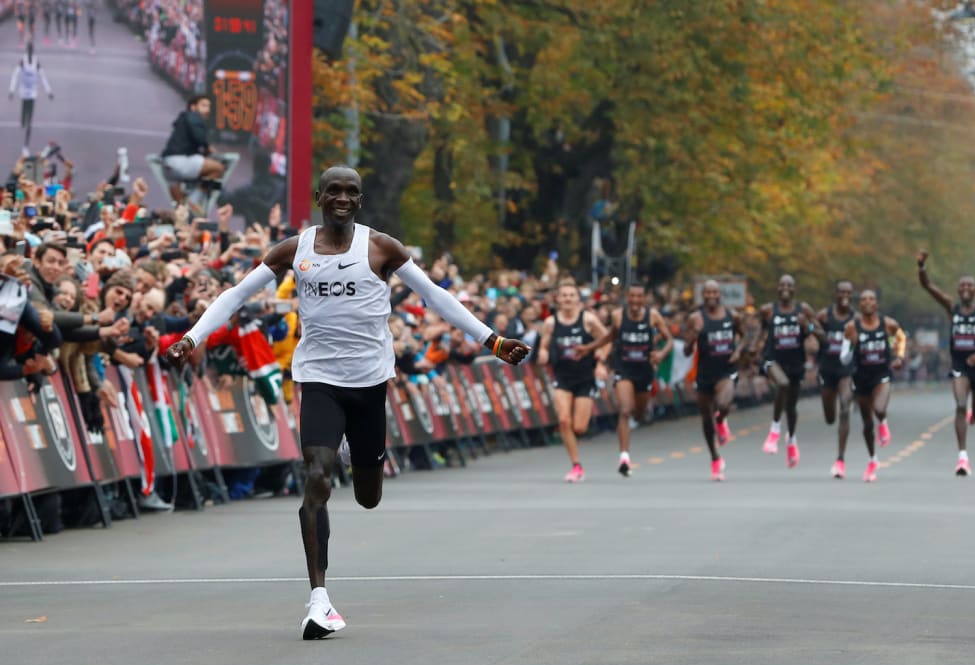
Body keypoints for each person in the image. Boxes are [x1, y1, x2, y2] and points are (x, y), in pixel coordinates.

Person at [166, 166, 530, 640]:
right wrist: (191, 338)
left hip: (369, 383)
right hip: (318, 379)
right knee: (316, 477)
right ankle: (319, 600)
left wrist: (492, 341)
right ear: (319, 197)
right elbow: (235, 296)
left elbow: (435, 296)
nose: (342, 198)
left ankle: (353, 453)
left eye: (351, 192)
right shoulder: (294, 250)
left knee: (367, 496)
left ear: (360, 200)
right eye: (333, 191)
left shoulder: (381, 247)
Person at [916, 251, 975, 476]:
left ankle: (974, 416)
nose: (966, 288)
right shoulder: (952, 307)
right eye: (962, 286)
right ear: (958, 290)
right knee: (960, 405)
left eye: (970, 285)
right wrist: (921, 267)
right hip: (960, 365)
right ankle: (962, 458)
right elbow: (928, 286)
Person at [577, 282, 672, 477]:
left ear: (645, 298)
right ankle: (624, 457)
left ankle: (638, 417)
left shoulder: (653, 316)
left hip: (644, 370)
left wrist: (661, 354)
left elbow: (669, 339)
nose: (635, 300)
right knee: (625, 410)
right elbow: (610, 337)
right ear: (627, 297)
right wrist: (588, 348)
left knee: (639, 413)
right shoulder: (618, 316)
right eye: (632, 296)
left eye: (639, 297)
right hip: (623, 368)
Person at [536, 279, 609, 483]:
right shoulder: (551, 323)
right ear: (558, 299)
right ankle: (576, 465)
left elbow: (607, 339)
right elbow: (544, 345)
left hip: (585, 377)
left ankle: (577, 454)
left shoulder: (588, 320)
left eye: (571, 295)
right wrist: (543, 353)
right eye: (564, 295)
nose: (568, 299)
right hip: (562, 377)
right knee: (563, 420)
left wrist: (601, 362)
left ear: (578, 299)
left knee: (579, 428)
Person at [839, 289, 905, 482]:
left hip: (882, 374)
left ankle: (883, 422)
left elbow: (901, 338)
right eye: (864, 299)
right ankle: (872, 460)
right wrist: (852, 345)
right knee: (867, 424)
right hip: (861, 377)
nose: (867, 302)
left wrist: (899, 357)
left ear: (877, 304)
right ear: (859, 304)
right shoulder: (851, 328)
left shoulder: (888, 324)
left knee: (879, 408)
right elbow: (844, 359)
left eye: (871, 299)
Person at [682, 280, 745, 481]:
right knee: (706, 419)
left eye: (714, 292)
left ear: (719, 294)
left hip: (726, 370)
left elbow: (744, 337)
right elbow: (686, 351)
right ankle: (715, 459)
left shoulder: (732, 316)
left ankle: (721, 419)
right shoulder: (695, 318)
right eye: (707, 293)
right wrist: (694, 334)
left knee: (724, 404)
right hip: (704, 373)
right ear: (703, 295)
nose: (711, 296)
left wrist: (738, 351)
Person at [754, 274, 815, 467]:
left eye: (789, 285)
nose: (785, 288)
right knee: (782, 383)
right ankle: (774, 430)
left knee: (791, 407)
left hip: (795, 362)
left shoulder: (803, 310)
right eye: (782, 285)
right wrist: (753, 348)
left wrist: (807, 325)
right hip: (773, 359)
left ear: (794, 289)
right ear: (777, 288)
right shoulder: (768, 310)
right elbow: (759, 331)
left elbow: (815, 330)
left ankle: (791, 441)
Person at [814, 280, 856, 478]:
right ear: (836, 294)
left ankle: (840, 459)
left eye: (848, 292)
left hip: (846, 370)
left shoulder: (856, 318)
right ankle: (833, 413)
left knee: (845, 407)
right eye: (841, 292)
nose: (845, 296)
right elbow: (811, 332)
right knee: (830, 418)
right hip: (827, 369)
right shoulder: (824, 315)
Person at [160, 94, 226, 204]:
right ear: (193, 107)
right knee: (218, 168)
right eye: (204, 106)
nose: (208, 110)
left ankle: (184, 206)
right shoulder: (194, 117)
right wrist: (208, 148)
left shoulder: (183, 119)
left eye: (209, 106)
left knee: (181, 208)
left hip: (168, 166)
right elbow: (200, 138)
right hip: (180, 162)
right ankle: (194, 201)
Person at [8, 42, 55, 156]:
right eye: (28, 49)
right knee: (24, 118)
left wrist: (49, 91)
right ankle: (22, 120)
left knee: (30, 121)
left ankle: (25, 146)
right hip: (24, 92)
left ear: (33, 51)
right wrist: (11, 90)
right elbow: (15, 75)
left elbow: (43, 77)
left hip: (32, 93)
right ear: (27, 50)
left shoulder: (36, 62)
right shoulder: (22, 61)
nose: (30, 51)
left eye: (31, 50)